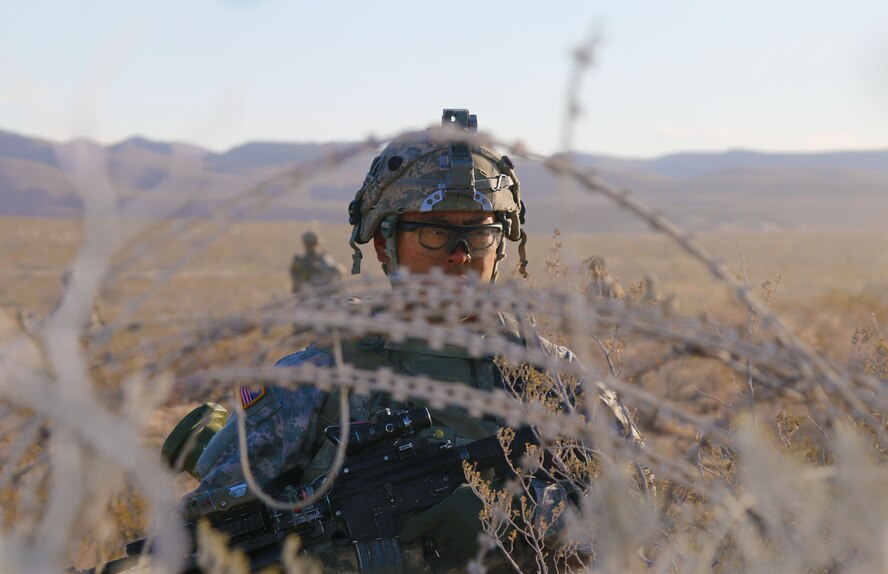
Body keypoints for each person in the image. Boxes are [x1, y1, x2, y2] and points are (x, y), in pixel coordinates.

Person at [185, 109, 645, 572]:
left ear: (501, 244)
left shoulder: (555, 379)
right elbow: (213, 533)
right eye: (434, 232)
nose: (460, 255)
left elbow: (635, 518)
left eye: (480, 232)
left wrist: (532, 523)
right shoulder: (314, 384)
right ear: (384, 244)